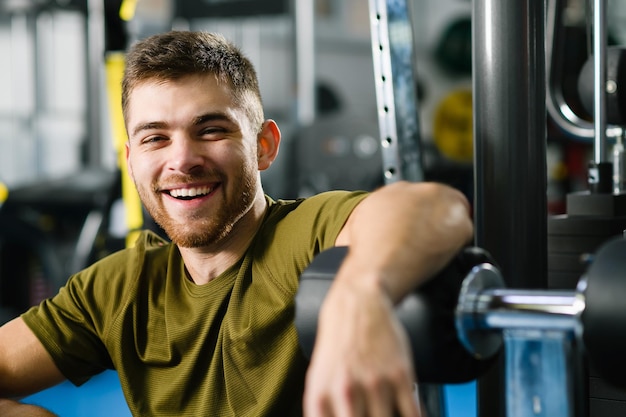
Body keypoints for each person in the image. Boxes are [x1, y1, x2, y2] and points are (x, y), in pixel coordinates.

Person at [0, 31, 473, 416]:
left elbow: (436, 207)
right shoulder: (118, 289)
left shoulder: (302, 238)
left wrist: (361, 294)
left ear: (264, 145)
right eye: (155, 138)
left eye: (211, 130)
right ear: (131, 159)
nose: (182, 160)